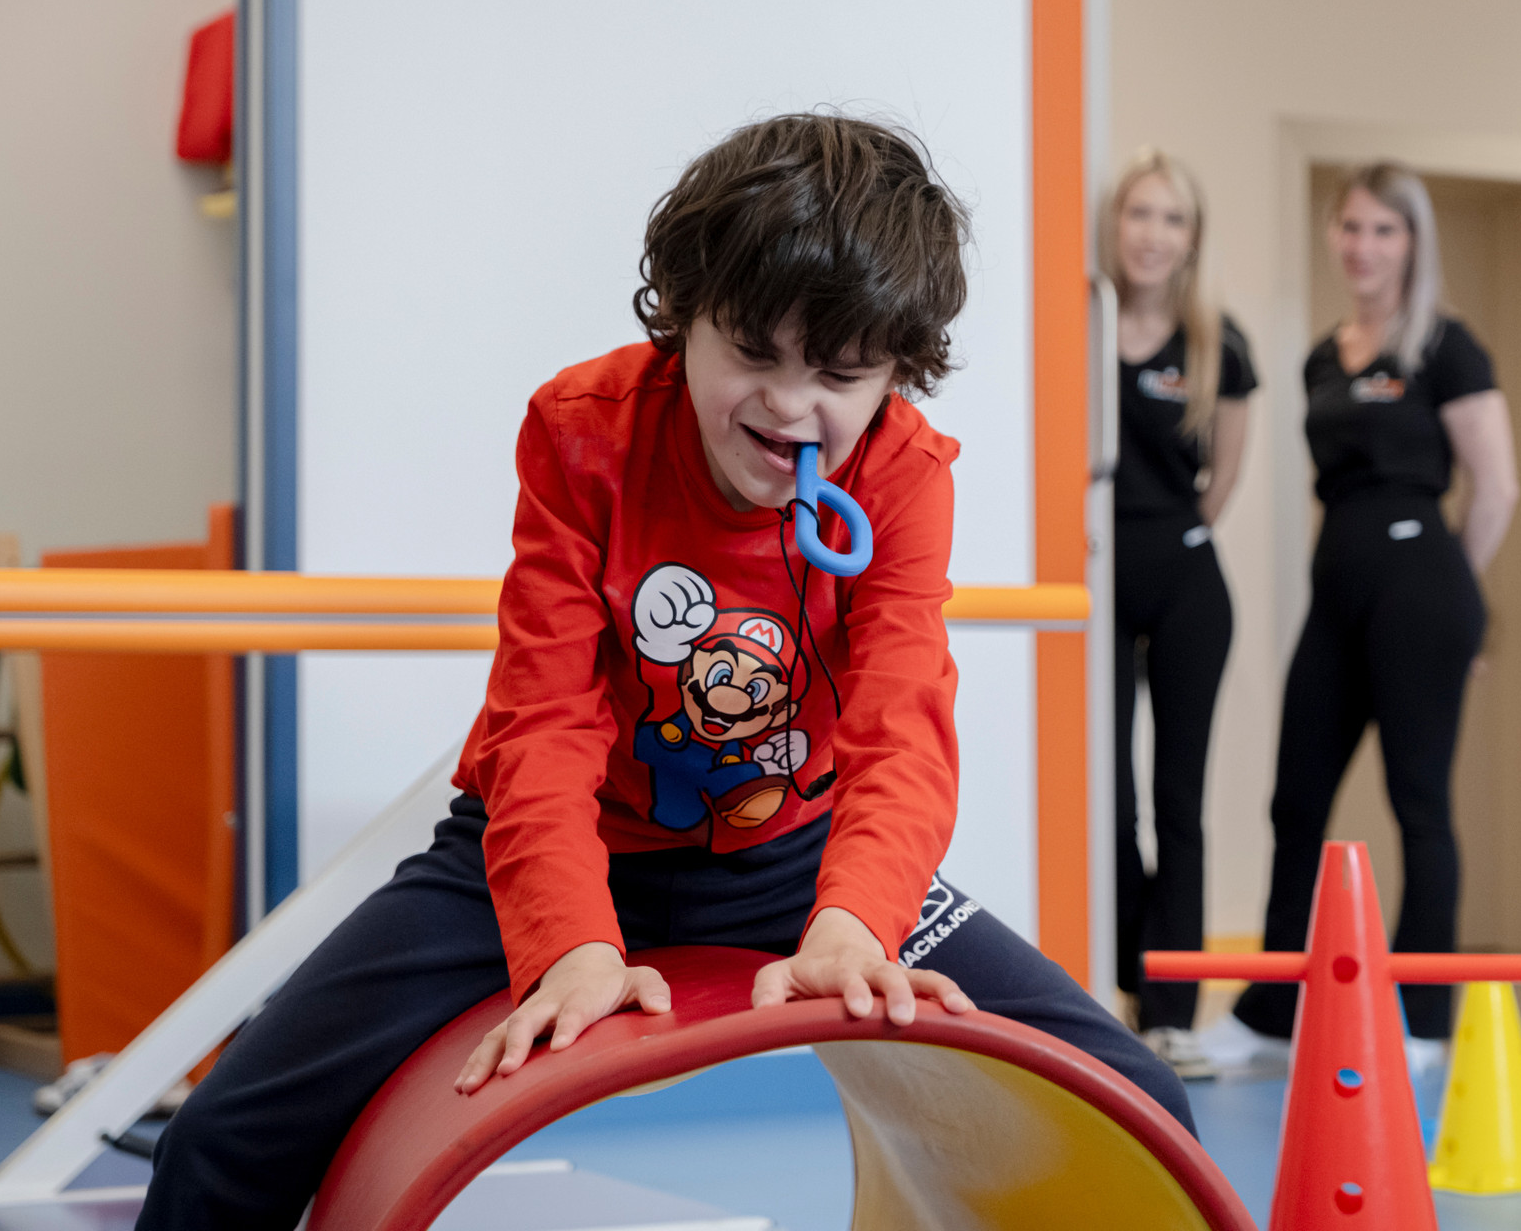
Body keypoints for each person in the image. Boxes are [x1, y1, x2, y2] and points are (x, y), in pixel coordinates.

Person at [136, 114, 1191, 1229]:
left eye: (839, 372)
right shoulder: (583, 432)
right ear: (684, 318)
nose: (790, 407)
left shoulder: (903, 473)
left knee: (1142, 1097)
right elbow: (543, 721)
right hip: (572, 840)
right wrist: (574, 943)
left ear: (896, 369)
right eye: (752, 353)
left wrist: (854, 924)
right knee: (222, 1138)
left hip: (794, 848)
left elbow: (904, 729)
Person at [1206, 162, 1518, 1070]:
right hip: (1337, 585)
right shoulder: (1318, 357)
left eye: (1385, 229)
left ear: (1413, 241)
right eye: (1352, 227)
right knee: (1295, 797)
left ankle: (1422, 1020)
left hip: (1423, 583)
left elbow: (1498, 486)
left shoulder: (1445, 347)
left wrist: (1449, 594)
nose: (1364, 246)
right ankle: (1270, 1011)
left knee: (1418, 801)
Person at [1100, 149, 1256, 1079]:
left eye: (1173, 219)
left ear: (1191, 239)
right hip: (1103, 584)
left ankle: (1173, 1015)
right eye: (1140, 214)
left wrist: (1174, 541)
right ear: (1114, 226)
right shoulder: (1082, 327)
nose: (1154, 234)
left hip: (1191, 584)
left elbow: (1222, 480)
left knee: (1179, 805)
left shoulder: (1218, 345)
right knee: (1111, 804)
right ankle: (1127, 984)